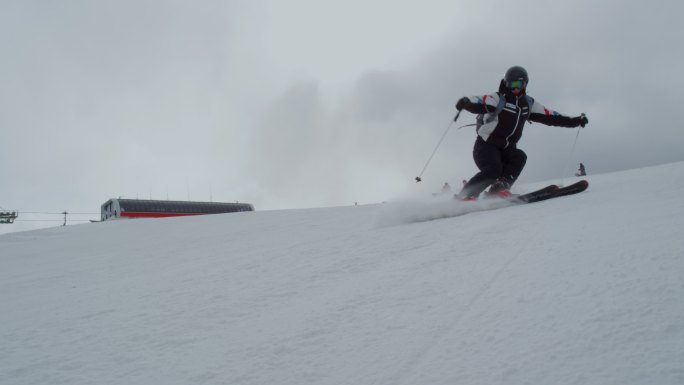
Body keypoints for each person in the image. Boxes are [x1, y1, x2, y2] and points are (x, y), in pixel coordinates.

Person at [454, 66, 589, 200]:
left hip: (507, 149)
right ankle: (465, 196)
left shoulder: (528, 104)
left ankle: (499, 189)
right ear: (506, 83)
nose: (515, 88)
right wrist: (466, 102)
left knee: (519, 157)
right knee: (493, 170)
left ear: (525, 84)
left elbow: (551, 116)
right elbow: (480, 100)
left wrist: (576, 121)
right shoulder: (498, 98)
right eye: (511, 84)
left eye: (518, 84)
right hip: (485, 146)